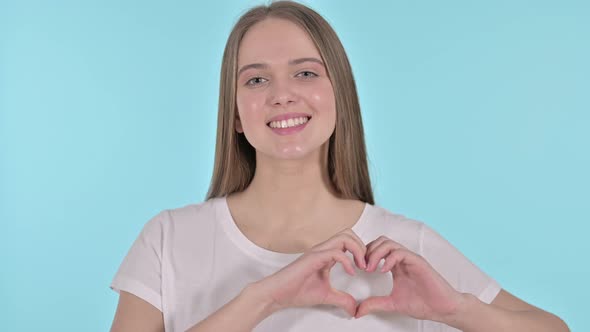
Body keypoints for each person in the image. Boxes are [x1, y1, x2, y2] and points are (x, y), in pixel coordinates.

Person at [109, 1, 569, 331]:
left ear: (339, 95)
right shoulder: (168, 240)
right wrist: (262, 299)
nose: (281, 93)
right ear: (234, 113)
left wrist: (456, 311)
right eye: (256, 79)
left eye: (305, 72)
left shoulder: (407, 250)